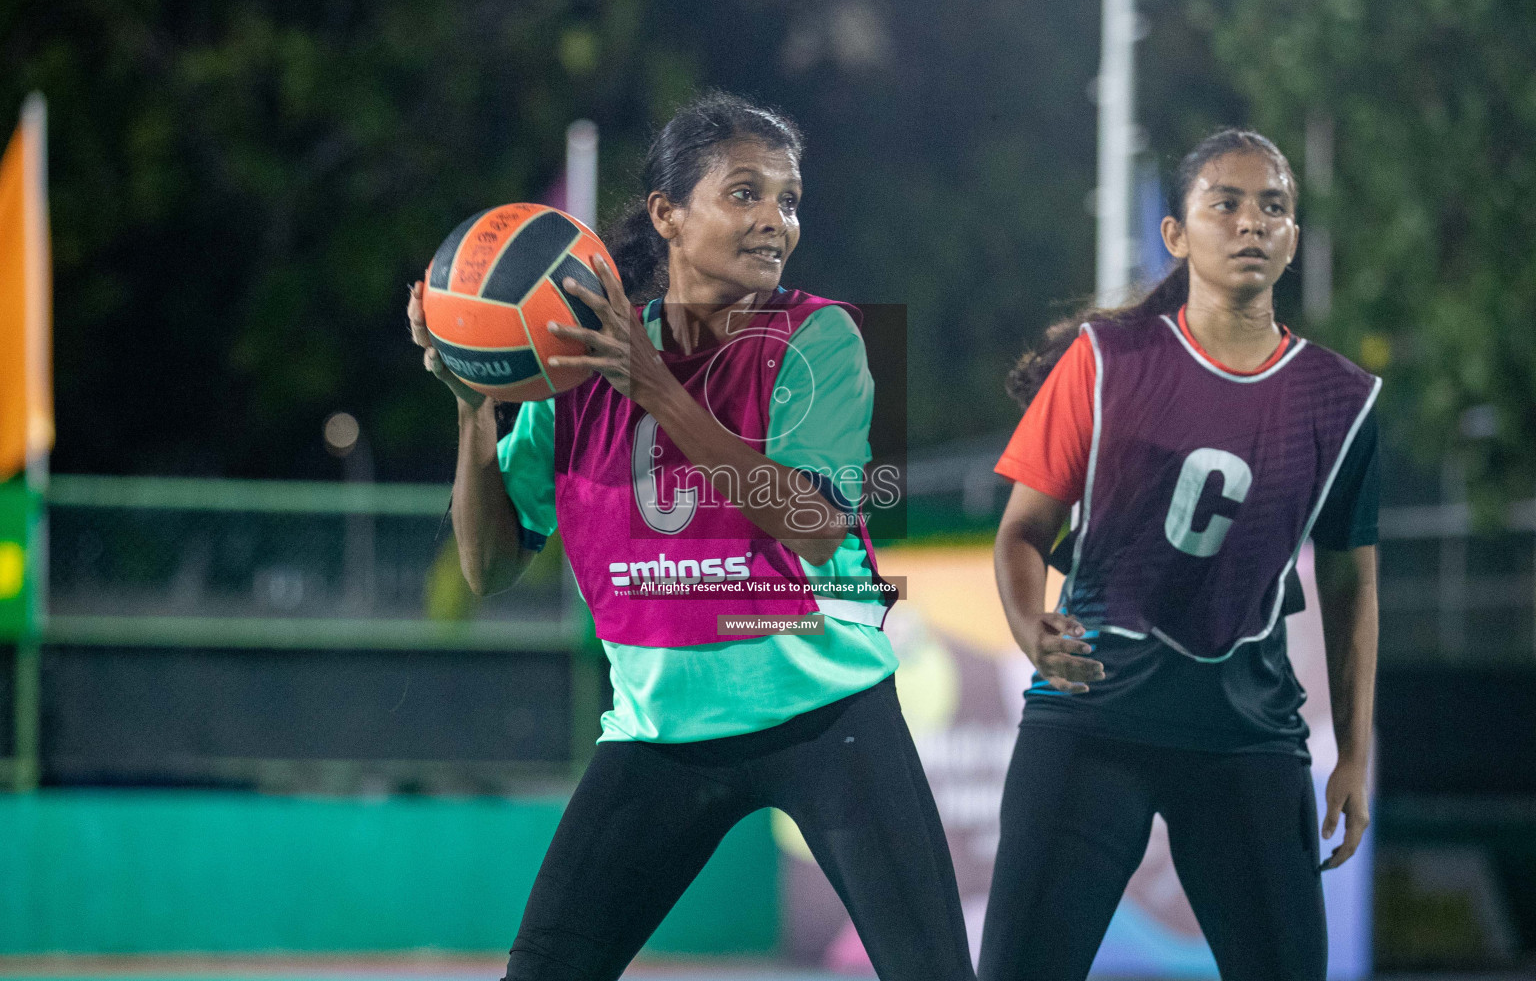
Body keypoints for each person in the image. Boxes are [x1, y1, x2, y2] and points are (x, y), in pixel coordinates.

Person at [407, 92, 974, 981]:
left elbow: (819, 529)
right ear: (668, 214)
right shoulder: (571, 369)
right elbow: (487, 568)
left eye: (787, 200)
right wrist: (476, 407)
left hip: (828, 714)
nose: (775, 222)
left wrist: (661, 391)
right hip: (659, 731)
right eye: (744, 193)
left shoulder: (821, 338)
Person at [978, 129, 1380, 981]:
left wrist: (1354, 751)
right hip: (1092, 722)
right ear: (1176, 234)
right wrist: (1027, 627)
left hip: (1246, 737)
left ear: (1295, 240)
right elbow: (1021, 532)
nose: (1251, 223)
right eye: (1224, 203)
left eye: (1273, 207)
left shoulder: (1341, 399)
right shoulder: (1105, 362)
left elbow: (1351, 582)